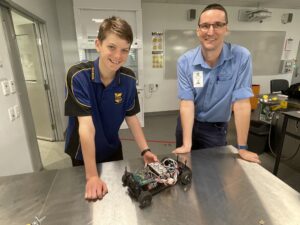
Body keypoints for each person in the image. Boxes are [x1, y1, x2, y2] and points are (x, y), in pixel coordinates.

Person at [64, 16, 158, 201]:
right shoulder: (78, 75)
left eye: (124, 50)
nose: (117, 56)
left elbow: (131, 117)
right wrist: (91, 176)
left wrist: (145, 150)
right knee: (90, 199)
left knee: (119, 195)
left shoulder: (128, 80)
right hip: (82, 153)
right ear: (98, 44)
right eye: (111, 47)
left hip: (112, 147)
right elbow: (86, 127)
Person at [173, 3, 260, 164]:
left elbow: (241, 103)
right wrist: (187, 143)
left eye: (218, 25)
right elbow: (186, 103)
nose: (211, 31)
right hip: (187, 123)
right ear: (198, 30)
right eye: (205, 26)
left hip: (215, 128)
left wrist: (242, 148)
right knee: (184, 167)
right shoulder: (185, 62)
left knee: (214, 172)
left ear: (226, 29)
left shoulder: (241, 57)